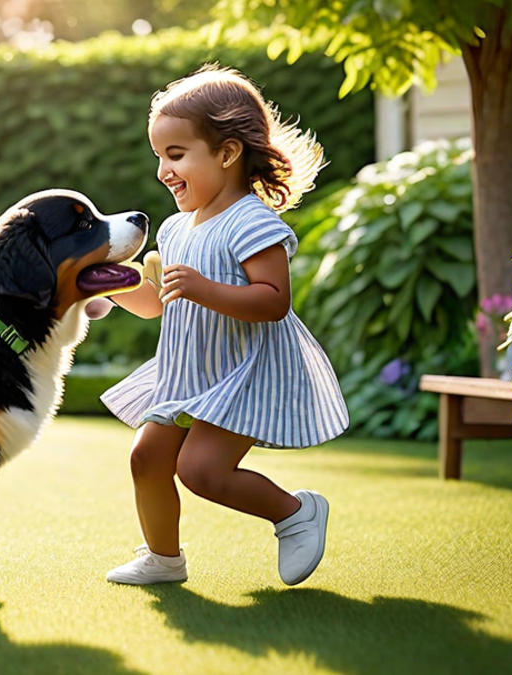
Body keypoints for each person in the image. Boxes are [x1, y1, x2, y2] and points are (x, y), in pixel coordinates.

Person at [100, 64, 349, 587]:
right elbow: (156, 304)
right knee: (147, 457)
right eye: (159, 158)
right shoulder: (173, 228)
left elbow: (274, 301)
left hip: (242, 371)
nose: (164, 172)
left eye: (175, 155)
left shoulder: (252, 222)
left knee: (202, 472)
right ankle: (163, 558)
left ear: (227, 153)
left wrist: (205, 289)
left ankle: (294, 513)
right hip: (188, 371)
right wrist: (112, 281)